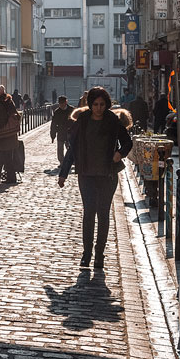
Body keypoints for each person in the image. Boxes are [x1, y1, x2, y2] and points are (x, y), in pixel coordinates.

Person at [58, 86, 133, 270]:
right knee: (89, 213)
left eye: (102, 104)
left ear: (107, 104)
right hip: (86, 174)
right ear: (90, 105)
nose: (99, 108)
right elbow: (73, 149)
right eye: (95, 104)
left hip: (107, 175)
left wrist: (119, 154)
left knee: (103, 214)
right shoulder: (82, 122)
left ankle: (99, 254)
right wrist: (63, 173)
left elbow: (128, 142)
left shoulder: (113, 121)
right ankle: (86, 254)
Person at [0, 85, 20, 184]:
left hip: (3, 135)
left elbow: (2, 119)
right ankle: (3, 177)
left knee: (1, 158)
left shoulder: (1, 103)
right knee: (6, 158)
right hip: (9, 135)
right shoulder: (8, 101)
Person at [49, 96, 73, 164]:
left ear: (66, 102)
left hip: (70, 132)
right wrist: (53, 135)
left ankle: (70, 160)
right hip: (61, 132)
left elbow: (76, 121)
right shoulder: (57, 112)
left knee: (70, 147)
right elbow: (53, 124)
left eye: (63, 103)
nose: (62, 105)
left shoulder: (71, 110)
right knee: (60, 148)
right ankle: (62, 162)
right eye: (60, 103)